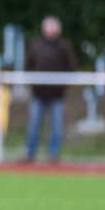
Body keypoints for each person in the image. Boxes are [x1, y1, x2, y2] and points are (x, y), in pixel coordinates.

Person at [24, 15, 76, 162]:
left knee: (57, 127)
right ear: (44, 29)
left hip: (56, 96)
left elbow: (71, 68)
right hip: (38, 94)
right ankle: (30, 153)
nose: (52, 30)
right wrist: (34, 85)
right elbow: (28, 66)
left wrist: (62, 87)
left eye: (54, 27)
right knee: (34, 125)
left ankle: (53, 154)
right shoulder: (36, 45)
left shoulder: (64, 47)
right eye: (49, 27)